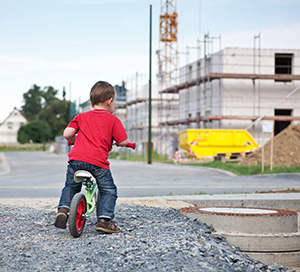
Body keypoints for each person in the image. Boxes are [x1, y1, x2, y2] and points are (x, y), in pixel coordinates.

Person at [54, 80, 128, 233]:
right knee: (108, 190)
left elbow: (67, 134)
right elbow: (122, 141)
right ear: (110, 101)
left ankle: (63, 210)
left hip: (75, 160)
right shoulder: (113, 120)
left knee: (70, 186)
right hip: (97, 163)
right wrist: (119, 143)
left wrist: (75, 140)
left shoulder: (81, 116)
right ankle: (104, 220)